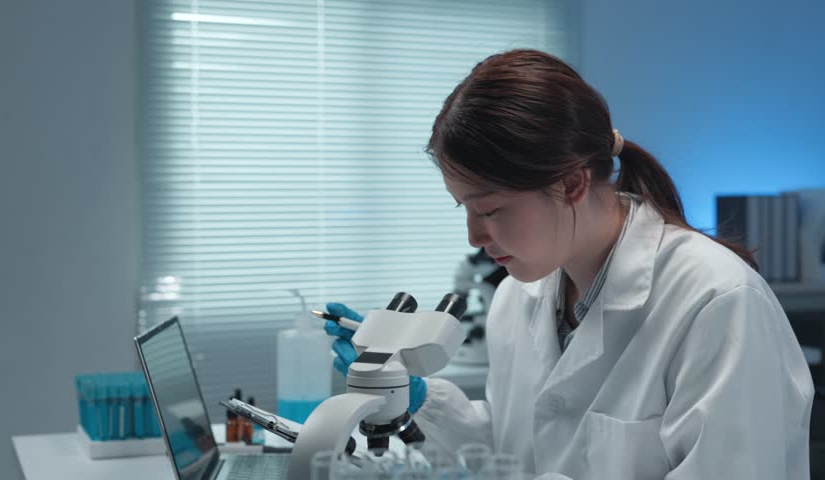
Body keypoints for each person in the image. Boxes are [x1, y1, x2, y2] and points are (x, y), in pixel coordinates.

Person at [323, 49, 814, 479]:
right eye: (464, 209)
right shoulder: (519, 295)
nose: (473, 236)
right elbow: (515, 449)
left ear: (573, 184)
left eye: (490, 209)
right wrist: (417, 399)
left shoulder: (717, 302)